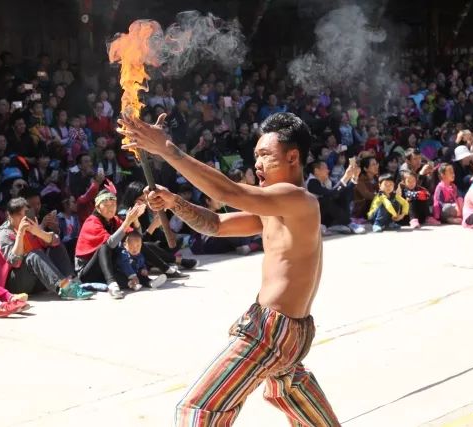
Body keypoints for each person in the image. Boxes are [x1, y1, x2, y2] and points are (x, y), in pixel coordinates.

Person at [119, 111, 340, 425]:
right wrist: (174, 202)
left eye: (265, 155)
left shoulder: (297, 198)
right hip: (289, 334)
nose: (257, 164)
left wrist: (165, 148)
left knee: (198, 411)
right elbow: (216, 224)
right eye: (256, 156)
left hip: (272, 333)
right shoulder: (276, 207)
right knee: (303, 406)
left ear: (292, 157)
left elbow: (228, 193)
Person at [0, 197, 92, 300]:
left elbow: (55, 241)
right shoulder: (3, 235)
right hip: (15, 284)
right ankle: (64, 288)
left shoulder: (31, 227)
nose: (23, 218)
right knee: (34, 255)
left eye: (25, 214)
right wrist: (20, 234)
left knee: (56, 246)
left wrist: (38, 232)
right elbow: (15, 262)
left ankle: (72, 282)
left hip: (36, 281)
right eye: (18, 214)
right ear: (9, 215)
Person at [75, 189, 144, 300]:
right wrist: (127, 222)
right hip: (87, 271)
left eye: (113, 204)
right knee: (104, 247)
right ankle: (112, 284)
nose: (111, 208)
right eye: (106, 205)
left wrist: (135, 220)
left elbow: (137, 237)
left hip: (105, 268)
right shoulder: (92, 221)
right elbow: (110, 244)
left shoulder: (114, 220)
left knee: (137, 248)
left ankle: (150, 279)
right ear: (98, 208)